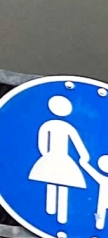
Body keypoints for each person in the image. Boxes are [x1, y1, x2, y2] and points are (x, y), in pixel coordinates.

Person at [27, 95, 90, 226]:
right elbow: (42, 142)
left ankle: (58, 214)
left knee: (60, 182)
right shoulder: (53, 125)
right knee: (56, 182)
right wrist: (83, 156)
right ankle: (52, 212)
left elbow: (76, 142)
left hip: (57, 157)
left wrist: (46, 154)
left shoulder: (57, 126)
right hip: (56, 157)